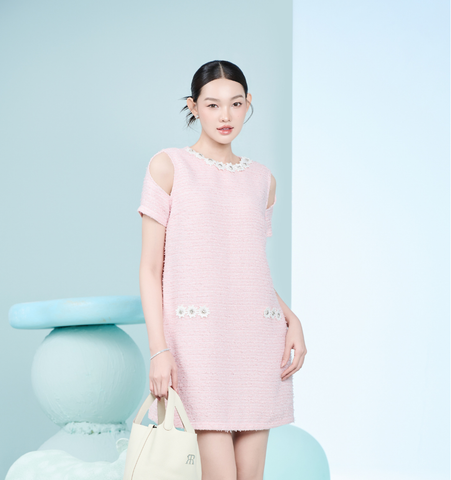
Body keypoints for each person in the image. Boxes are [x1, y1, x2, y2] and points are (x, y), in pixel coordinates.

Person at [137, 59, 307, 480]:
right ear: (193, 107)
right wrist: (159, 350)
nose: (225, 115)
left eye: (235, 103)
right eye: (212, 105)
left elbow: (246, 264)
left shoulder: (263, 179)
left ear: (248, 103)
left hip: (257, 339)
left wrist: (291, 318)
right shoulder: (168, 166)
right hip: (197, 345)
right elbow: (150, 268)